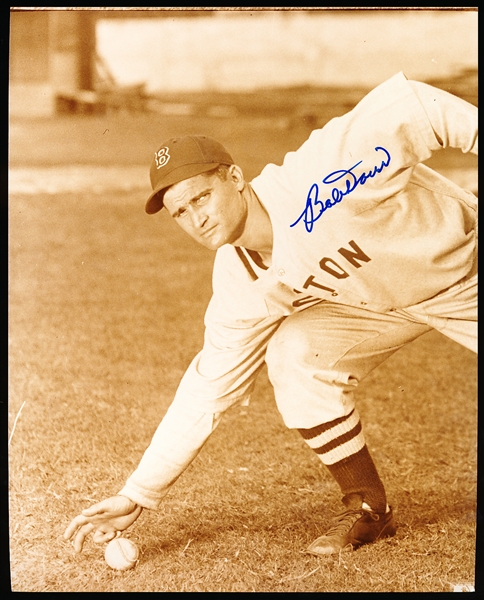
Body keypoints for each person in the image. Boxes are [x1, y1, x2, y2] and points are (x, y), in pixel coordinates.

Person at [64, 71, 477, 557]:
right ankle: (368, 508)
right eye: (180, 212)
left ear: (235, 179)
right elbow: (208, 389)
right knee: (294, 356)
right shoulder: (238, 279)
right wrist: (139, 491)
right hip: (378, 304)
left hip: (462, 270)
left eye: (201, 197)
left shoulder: (317, 179)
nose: (196, 218)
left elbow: (420, 107)